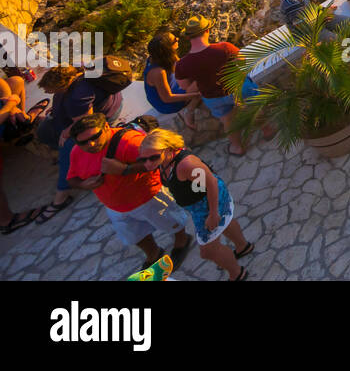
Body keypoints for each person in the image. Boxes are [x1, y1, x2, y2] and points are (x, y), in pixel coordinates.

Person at [65, 113, 193, 271]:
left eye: (95, 137)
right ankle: (154, 253)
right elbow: (71, 178)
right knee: (135, 235)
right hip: (115, 207)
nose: (90, 144)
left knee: (171, 221)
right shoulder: (77, 152)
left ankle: (182, 241)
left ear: (106, 127)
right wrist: (83, 184)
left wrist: (125, 169)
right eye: (83, 142)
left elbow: (166, 156)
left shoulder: (130, 142)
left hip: (149, 197)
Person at [138, 128, 253, 280]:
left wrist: (213, 214)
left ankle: (237, 273)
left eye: (153, 157)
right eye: (143, 159)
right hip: (199, 204)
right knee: (226, 222)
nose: (147, 163)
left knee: (208, 251)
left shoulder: (186, 165)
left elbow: (210, 184)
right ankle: (243, 247)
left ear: (168, 149)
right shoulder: (164, 161)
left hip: (209, 204)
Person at [33, 64, 117, 224]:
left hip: (93, 121)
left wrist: (66, 133)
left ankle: (61, 195)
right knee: (44, 130)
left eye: (48, 89)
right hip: (77, 117)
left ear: (60, 86)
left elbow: (86, 123)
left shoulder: (77, 96)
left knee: (68, 148)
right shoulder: (74, 78)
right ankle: (72, 160)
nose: (45, 92)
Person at [175, 16, 246, 154]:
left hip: (212, 97)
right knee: (252, 107)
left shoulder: (182, 64)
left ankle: (236, 147)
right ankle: (267, 130)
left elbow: (185, 88)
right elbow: (242, 63)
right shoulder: (225, 48)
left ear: (188, 37)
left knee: (228, 122)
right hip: (234, 89)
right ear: (207, 31)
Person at [142, 32, 201, 129]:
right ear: (168, 48)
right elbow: (167, 98)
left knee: (198, 72)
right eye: (175, 40)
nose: (178, 39)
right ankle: (189, 112)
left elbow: (180, 64)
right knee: (202, 82)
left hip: (173, 87)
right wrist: (195, 95)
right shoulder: (157, 72)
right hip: (167, 105)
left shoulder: (161, 57)